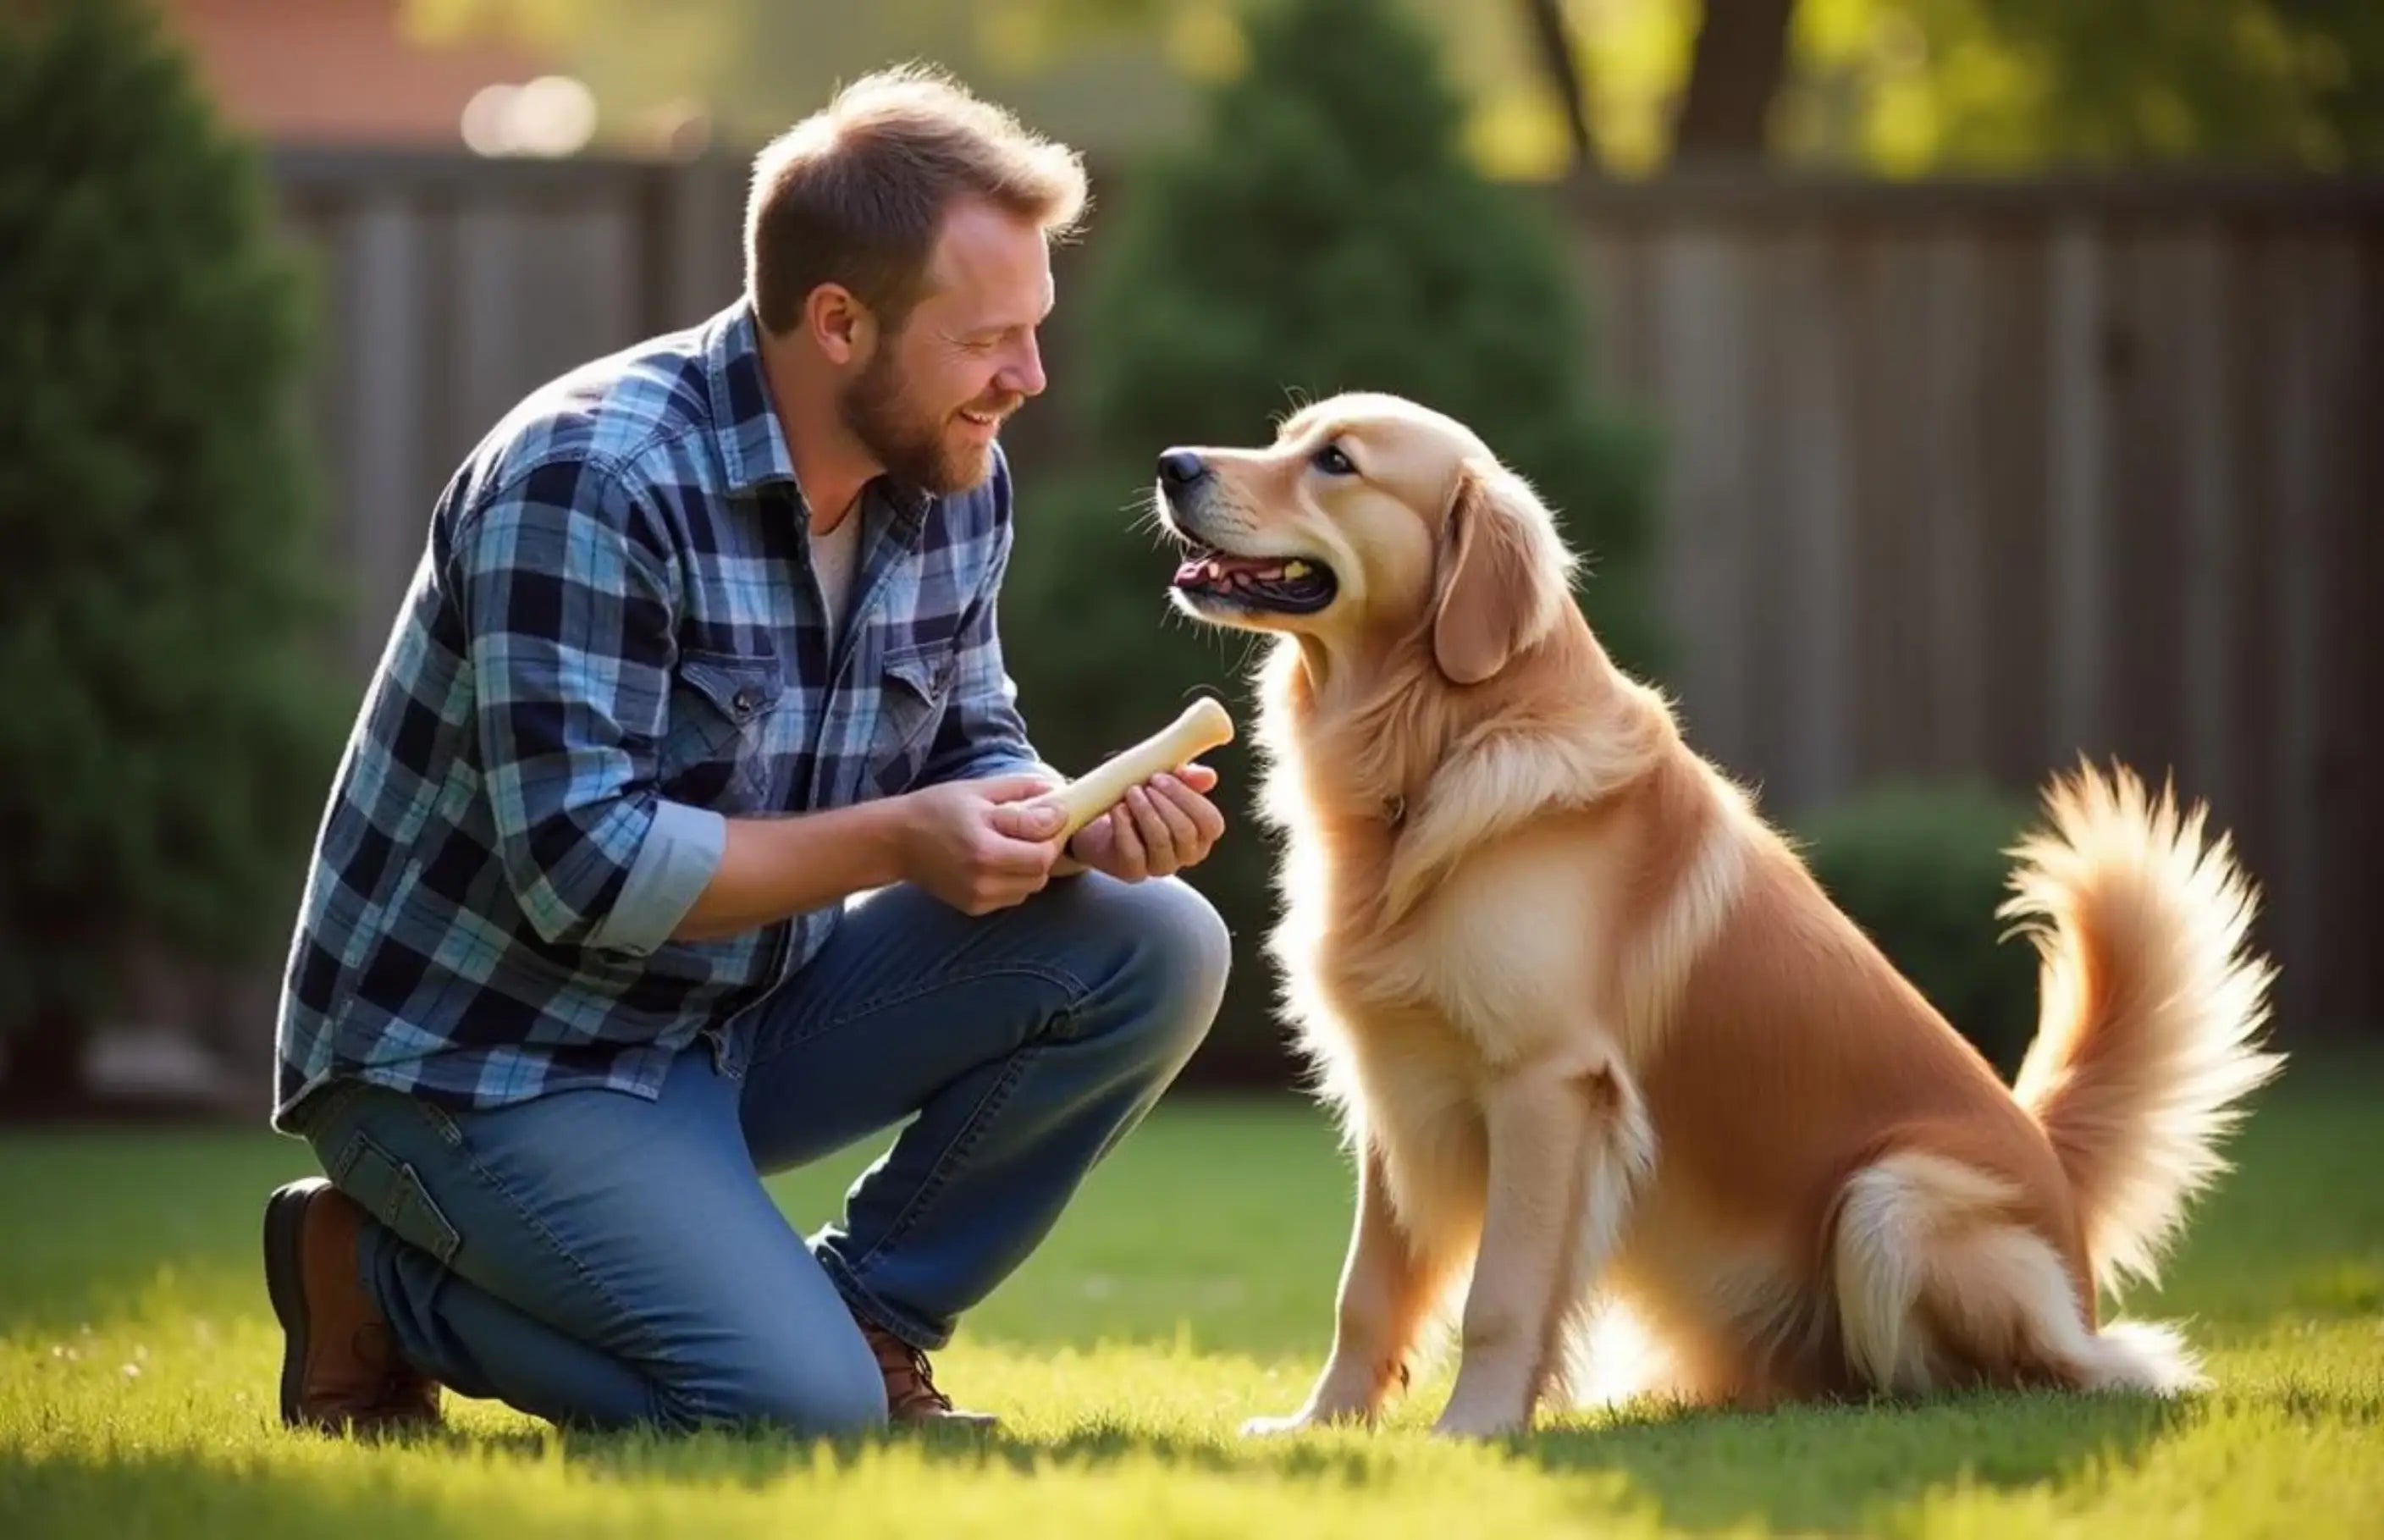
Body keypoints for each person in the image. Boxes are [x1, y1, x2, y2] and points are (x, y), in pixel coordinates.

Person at [260, 65, 1231, 1439]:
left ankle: (873, 1319)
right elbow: (582, 873)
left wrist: (1069, 823)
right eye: (987, 341)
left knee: (1154, 937)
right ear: (838, 322)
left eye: (1034, 332)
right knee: (791, 1419)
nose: (1029, 378)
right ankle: (367, 1272)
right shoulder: (591, 480)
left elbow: (968, 741)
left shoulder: (954, 478)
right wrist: (904, 841)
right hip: (484, 1057)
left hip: (725, 1019)